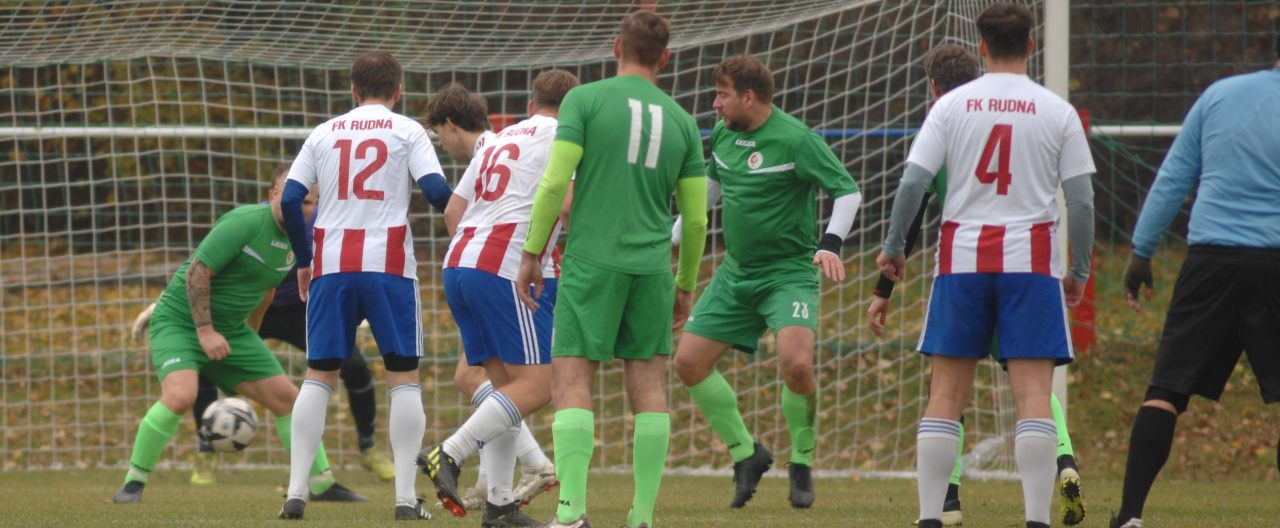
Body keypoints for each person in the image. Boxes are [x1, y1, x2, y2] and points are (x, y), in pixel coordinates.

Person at [875, 4, 1096, 528]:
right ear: (1031, 46)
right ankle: (1035, 520)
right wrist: (1080, 269)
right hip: (1032, 265)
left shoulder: (950, 108)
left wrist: (893, 248)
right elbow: (1082, 201)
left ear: (980, 47)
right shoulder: (1055, 109)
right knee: (1033, 397)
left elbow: (911, 185)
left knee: (946, 395)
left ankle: (933, 516)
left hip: (962, 262)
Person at [512, 10, 709, 528]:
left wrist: (532, 252)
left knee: (572, 380)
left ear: (616, 46)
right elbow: (695, 220)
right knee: (649, 389)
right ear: (665, 57)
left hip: (591, 263)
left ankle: (573, 512)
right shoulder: (684, 121)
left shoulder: (584, 99)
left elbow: (555, 184)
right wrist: (685, 283)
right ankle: (641, 516)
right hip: (651, 270)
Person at [668, 54, 861, 510]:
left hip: (788, 274)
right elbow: (710, 191)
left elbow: (847, 190)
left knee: (796, 364)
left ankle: (802, 460)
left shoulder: (796, 140)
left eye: (723, 94)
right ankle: (747, 454)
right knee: (688, 363)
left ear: (748, 97)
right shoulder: (722, 135)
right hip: (736, 273)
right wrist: (671, 236)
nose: (715, 104)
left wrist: (831, 244)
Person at [112, 166, 368, 505]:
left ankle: (321, 485)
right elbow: (196, 273)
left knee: (289, 400)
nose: (300, 207)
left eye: (308, 202)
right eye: (292, 197)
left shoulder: (300, 238)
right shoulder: (243, 222)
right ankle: (133, 484)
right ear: (273, 193)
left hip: (232, 330)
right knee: (181, 395)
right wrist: (204, 332)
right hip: (179, 321)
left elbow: (266, 291)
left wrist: (251, 340)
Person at [1110, 36, 1280, 528]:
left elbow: (1172, 178)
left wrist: (1141, 255)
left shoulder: (1220, 95)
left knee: (1166, 389)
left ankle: (1129, 516)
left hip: (1211, 260)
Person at [277, 51, 454, 521]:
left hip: (332, 265)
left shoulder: (324, 132)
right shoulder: (407, 130)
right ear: (398, 91)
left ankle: (296, 492)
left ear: (353, 91)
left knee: (318, 376)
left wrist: (303, 259)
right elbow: (437, 192)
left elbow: (292, 198)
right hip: (388, 266)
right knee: (403, 378)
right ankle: (403, 499)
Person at [416, 69, 580, 527]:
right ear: (575, 107)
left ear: (532, 104)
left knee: (505, 387)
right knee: (538, 384)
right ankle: (449, 452)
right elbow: (565, 206)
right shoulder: (567, 135)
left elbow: (453, 209)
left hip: (459, 263)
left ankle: (500, 506)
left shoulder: (502, 137)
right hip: (505, 268)